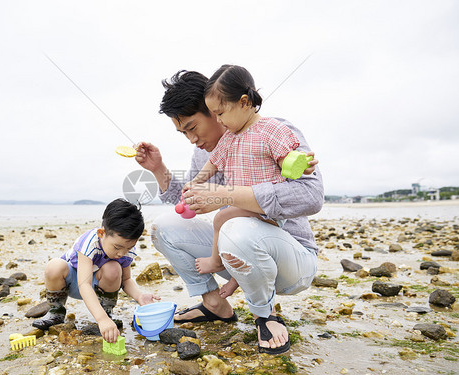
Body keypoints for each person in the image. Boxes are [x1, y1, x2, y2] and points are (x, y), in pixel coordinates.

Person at [135, 70, 323, 354]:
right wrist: (158, 169)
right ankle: (215, 305)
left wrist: (226, 195)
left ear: (215, 110)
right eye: (182, 132)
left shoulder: (272, 131)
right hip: (243, 252)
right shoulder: (205, 153)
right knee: (164, 227)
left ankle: (265, 316)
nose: (191, 139)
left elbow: (311, 195)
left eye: (192, 127)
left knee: (235, 228)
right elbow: (186, 201)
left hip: (290, 257)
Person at [184, 65, 316, 298]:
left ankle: (217, 262)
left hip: (269, 213)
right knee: (230, 227)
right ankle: (238, 278)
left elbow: (287, 158)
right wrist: (196, 182)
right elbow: (213, 162)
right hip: (245, 210)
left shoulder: (271, 130)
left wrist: (301, 166)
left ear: (244, 102)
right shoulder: (230, 138)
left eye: (221, 113)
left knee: (222, 217)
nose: (219, 121)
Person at [32, 198, 160, 343]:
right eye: (117, 247)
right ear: (101, 233)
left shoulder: (125, 250)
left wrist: (139, 296)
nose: (121, 253)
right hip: (75, 283)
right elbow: (84, 284)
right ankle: (56, 311)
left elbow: (125, 280)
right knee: (54, 266)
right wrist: (101, 320)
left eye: (128, 248)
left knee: (113, 268)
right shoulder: (89, 243)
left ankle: (106, 311)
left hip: (100, 287)